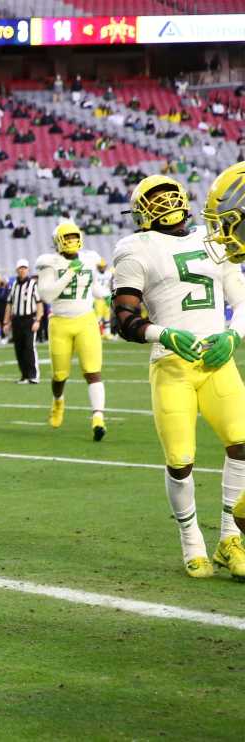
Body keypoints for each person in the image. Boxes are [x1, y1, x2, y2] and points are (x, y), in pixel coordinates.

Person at [114, 167, 245, 579]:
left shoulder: (213, 241)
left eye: (171, 196)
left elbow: (242, 300)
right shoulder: (135, 247)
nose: (169, 205)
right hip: (172, 365)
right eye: (159, 198)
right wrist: (165, 335)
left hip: (217, 359)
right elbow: (124, 318)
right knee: (180, 459)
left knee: (242, 444)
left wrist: (234, 337)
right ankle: (192, 542)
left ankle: (230, 539)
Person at [35, 220, 108, 440]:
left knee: (93, 372)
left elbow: (94, 289)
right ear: (58, 241)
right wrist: (68, 274)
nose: (70, 241)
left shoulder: (88, 260)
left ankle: (98, 418)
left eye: (73, 237)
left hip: (86, 320)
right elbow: (47, 295)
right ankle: (58, 401)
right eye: (66, 238)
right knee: (59, 375)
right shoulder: (50, 263)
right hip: (60, 323)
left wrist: (111, 293)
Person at [4, 259, 42, 383]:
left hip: (29, 319)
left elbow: (39, 303)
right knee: (19, 348)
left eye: (24, 268)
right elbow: (9, 304)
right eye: (20, 268)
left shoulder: (33, 284)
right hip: (17, 320)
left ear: (28, 269)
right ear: (17, 270)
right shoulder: (14, 284)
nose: (22, 270)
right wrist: (6, 322)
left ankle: (33, 375)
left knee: (29, 347)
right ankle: (24, 375)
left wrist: (38, 320)